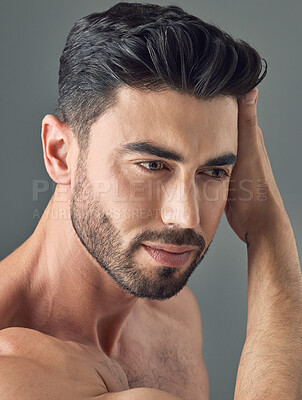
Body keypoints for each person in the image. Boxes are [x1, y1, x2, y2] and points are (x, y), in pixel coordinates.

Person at [0, 2, 301, 399]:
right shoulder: (13, 370)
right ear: (60, 152)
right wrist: (266, 227)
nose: (186, 217)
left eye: (214, 172)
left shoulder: (174, 316)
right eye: (152, 164)